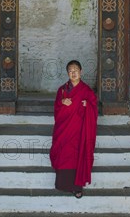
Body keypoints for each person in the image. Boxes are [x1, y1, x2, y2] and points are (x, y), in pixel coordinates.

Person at [49, 60, 98, 198]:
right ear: (67, 73)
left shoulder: (87, 91)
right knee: (64, 154)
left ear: (81, 71)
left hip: (79, 132)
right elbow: (56, 110)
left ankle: (77, 187)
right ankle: (63, 185)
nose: (73, 73)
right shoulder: (62, 90)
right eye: (70, 70)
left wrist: (87, 106)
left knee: (77, 157)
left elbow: (94, 110)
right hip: (64, 130)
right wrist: (61, 102)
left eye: (76, 70)